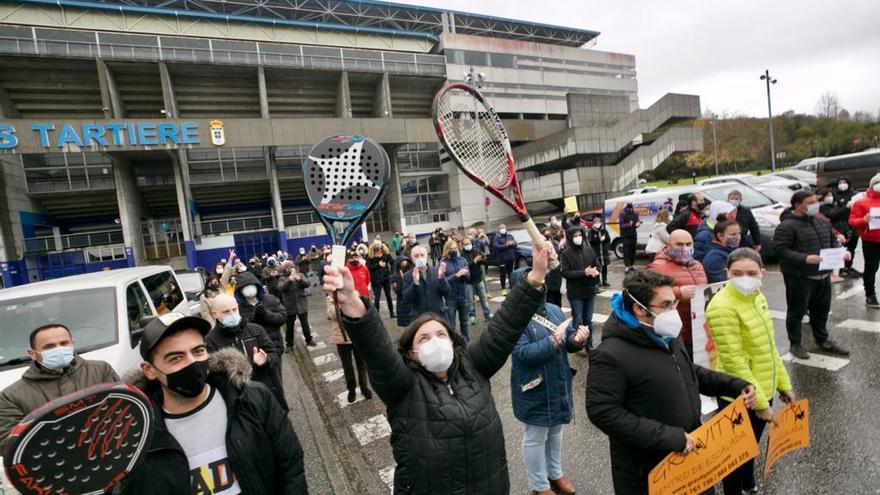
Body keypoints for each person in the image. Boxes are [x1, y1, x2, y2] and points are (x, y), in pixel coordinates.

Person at [323, 242, 554, 494]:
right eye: (423, 338)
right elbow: (377, 349)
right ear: (410, 353)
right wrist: (351, 301)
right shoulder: (403, 386)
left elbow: (505, 325)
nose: (435, 341)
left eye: (441, 334)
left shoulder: (472, 367)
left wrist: (536, 275)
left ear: (453, 343)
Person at [586, 270, 755, 494]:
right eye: (665, 305)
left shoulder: (665, 334)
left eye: (674, 303)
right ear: (639, 309)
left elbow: (686, 371)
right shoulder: (611, 354)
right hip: (648, 470)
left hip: (691, 456)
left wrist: (732, 385)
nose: (673, 312)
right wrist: (668, 436)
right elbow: (603, 411)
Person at [121, 312, 306, 494]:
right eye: (175, 358)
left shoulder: (253, 399)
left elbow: (291, 467)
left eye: (198, 351)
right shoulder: (138, 435)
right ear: (149, 370)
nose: (192, 362)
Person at [705, 248, 795, 495]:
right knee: (734, 453)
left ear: (762, 273)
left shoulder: (757, 296)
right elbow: (733, 360)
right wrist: (761, 404)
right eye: (737, 273)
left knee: (751, 444)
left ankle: (748, 483)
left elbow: (769, 346)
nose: (745, 278)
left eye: (751, 272)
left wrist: (782, 384)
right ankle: (736, 488)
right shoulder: (721, 306)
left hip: (762, 386)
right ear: (727, 273)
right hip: (740, 393)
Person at [510, 269, 589, 495]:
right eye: (533, 283)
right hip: (533, 386)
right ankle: (539, 485)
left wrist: (577, 339)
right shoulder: (515, 315)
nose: (539, 286)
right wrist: (555, 340)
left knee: (555, 430)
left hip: (558, 382)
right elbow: (523, 353)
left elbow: (570, 340)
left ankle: (555, 472)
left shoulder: (553, 310)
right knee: (535, 436)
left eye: (540, 281)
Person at [0, 323, 119, 441]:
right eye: (49, 347)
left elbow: (121, 407)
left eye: (64, 343)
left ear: (72, 343)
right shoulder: (12, 396)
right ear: (32, 354)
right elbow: (9, 441)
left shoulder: (101, 370)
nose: (59, 349)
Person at [774, 191, 850, 359]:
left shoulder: (822, 221)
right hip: (800, 277)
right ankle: (795, 344)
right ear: (797, 205)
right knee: (796, 312)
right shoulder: (787, 226)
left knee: (821, 310)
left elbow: (833, 241)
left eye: (816, 201)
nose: (815, 204)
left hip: (823, 275)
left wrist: (841, 252)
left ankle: (822, 340)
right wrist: (805, 259)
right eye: (810, 202)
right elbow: (780, 250)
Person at [207, 294, 287, 410]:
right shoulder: (210, 342)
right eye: (225, 312)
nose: (232, 314)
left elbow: (274, 353)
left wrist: (266, 359)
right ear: (214, 314)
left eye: (234, 309)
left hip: (266, 394)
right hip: (238, 404)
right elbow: (213, 377)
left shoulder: (255, 330)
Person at [645, 229, 707, 356]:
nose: (685, 248)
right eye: (679, 244)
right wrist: (678, 293)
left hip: (698, 331)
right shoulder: (657, 267)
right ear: (668, 246)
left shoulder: (698, 265)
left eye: (689, 244)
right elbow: (647, 293)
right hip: (675, 333)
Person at [560, 226, 600, 348]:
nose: (578, 238)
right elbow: (565, 273)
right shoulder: (566, 254)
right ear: (571, 238)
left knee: (588, 320)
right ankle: (578, 343)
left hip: (589, 291)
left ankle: (589, 344)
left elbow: (597, 265)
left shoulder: (589, 250)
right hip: (575, 293)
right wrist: (584, 272)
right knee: (578, 320)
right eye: (575, 236)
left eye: (580, 235)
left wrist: (596, 272)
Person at [326, 296, 372, 403]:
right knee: (347, 365)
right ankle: (351, 389)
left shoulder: (353, 293)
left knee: (361, 363)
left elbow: (361, 311)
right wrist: (342, 303)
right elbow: (332, 314)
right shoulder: (331, 298)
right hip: (341, 337)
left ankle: (364, 386)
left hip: (356, 334)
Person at [234, 271, 288, 356]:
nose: (249, 289)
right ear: (240, 290)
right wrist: (254, 317)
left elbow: (282, 318)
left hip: (274, 347)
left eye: (251, 286)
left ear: (257, 286)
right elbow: (241, 329)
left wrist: (265, 313)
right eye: (245, 287)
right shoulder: (238, 308)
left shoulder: (270, 299)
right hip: (255, 351)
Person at [849, 173, 880, 308]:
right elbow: (852, 221)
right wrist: (863, 220)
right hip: (871, 241)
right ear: (872, 185)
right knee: (871, 268)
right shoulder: (861, 202)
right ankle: (870, 295)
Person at [401, 245, 449, 322]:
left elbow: (447, 292)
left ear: (427, 257)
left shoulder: (436, 271)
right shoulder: (408, 275)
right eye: (416, 256)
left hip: (438, 316)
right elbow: (406, 299)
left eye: (422, 255)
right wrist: (415, 283)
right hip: (419, 318)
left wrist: (441, 278)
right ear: (412, 259)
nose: (420, 258)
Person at [277, 261, 315, 349]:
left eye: (291, 266)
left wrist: (299, 279)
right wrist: (289, 280)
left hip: (301, 304)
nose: (290, 268)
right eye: (288, 267)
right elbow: (281, 288)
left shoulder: (300, 275)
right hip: (289, 306)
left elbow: (307, 284)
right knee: (289, 326)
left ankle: (309, 340)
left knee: (305, 324)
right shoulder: (282, 278)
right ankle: (289, 344)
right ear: (285, 268)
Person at [440, 238, 471, 340]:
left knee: (465, 321)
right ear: (447, 250)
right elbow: (442, 281)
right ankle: (452, 342)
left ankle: (465, 339)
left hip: (463, 296)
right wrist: (456, 275)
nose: (453, 250)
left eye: (455, 248)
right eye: (451, 248)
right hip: (450, 298)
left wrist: (465, 274)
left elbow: (469, 278)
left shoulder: (462, 260)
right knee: (451, 324)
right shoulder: (443, 263)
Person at [832, 177, 861, 278]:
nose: (842, 184)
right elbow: (833, 213)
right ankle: (841, 269)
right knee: (842, 248)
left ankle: (848, 267)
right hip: (841, 226)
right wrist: (846, 207)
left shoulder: (855, 194)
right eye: (840, 183)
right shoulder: (834, 196)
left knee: (852, 248)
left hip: (853, 224)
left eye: (844, 182)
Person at [463, 236, 493, 325]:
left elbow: (484, 262)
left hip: (478, 279)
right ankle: (472, 316)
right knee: (470, 300)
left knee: (483, 298)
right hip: (468, 281)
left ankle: (487, 314)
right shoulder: (462, 255)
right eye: (465, 244)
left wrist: (483, 258)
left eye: (469, 243)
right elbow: (466, 266)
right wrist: (475, 261)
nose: (468, 245)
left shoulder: (476, 251)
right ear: (462, 245)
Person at [702, 219, 741, 283]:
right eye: (733, 234)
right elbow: (721, 283)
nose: (738, 237)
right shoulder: (714, 257)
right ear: (720, 236)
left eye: (739, 234)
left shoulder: (730, 251)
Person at [367, 241, 396, 318]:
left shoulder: (386, 255)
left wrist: (391, 272)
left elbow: (393, 263)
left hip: (386, 278)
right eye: (375, 245)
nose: (377, 248)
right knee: (377, 297)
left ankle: (392, 313)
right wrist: (378, 265)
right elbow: (368, 267)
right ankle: (377, 315)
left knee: (388, 296)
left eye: (379, 245)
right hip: (376, 280)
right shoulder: (369, 256)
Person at [493, 223, 518, 295]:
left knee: (511, 273)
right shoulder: (497, 237)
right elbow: (496, 246)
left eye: (503, 227)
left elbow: (515, 244)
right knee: (503, 274)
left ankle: (511, 287)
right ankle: (503, 288)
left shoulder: (510, 236)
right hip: (502, 259)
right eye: (501, 228)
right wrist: (505, 245)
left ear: (506, 228)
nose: (502, 229)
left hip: (510, 258)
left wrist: (512, 243)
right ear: (498, 230)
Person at [587, 215, 612, 287]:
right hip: (596, 252)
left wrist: (605, 238)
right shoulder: (591, 231)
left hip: (604, 252)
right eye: (596, 222)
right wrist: (598, 239)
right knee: (597, 267)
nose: (598, 223)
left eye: (599, 222)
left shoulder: (604, 230)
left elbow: (609, 239)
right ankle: (597, 281)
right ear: (594, 223)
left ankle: (604, 280)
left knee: (604, 267)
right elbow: (590, 241)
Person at [542, 228, 564, 307]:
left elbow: (560, 256)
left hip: (557, 277)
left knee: (558, 300)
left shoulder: (555, 244)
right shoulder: (541, 247)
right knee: (550, 302)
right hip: (548, 278)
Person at [619, 203, 641, 272]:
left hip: (633, 234)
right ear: (627, 207)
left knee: (633, 250)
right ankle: (627, 266)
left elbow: (638, 220)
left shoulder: (635, 213)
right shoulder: (622, 213)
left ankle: (632, 265)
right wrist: (629, 224)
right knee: (626, 251)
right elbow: (621, 225)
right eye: (629, 208)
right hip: (625, 235)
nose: (631, 209)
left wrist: (638, 223)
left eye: (632, 208)